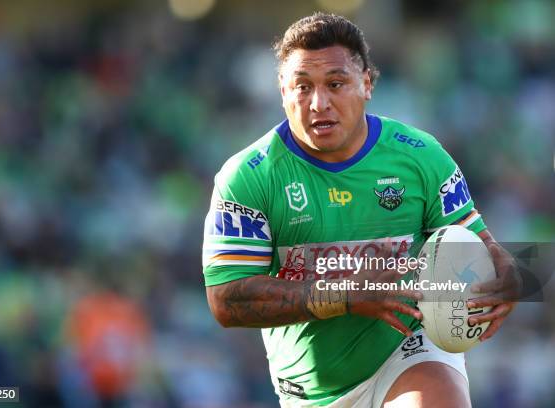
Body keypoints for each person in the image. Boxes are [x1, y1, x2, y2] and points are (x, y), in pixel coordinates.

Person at [202, 13, 519, 408]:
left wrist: (509, 273)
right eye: (302, 87)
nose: (319, 103)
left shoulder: (421, 157)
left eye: (336, 84)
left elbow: (479, 244)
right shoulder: (248, 178)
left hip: (409, 352)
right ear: (282, 91)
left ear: (367, 83)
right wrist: (344, 295)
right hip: (312, 390)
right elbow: (226, 300)